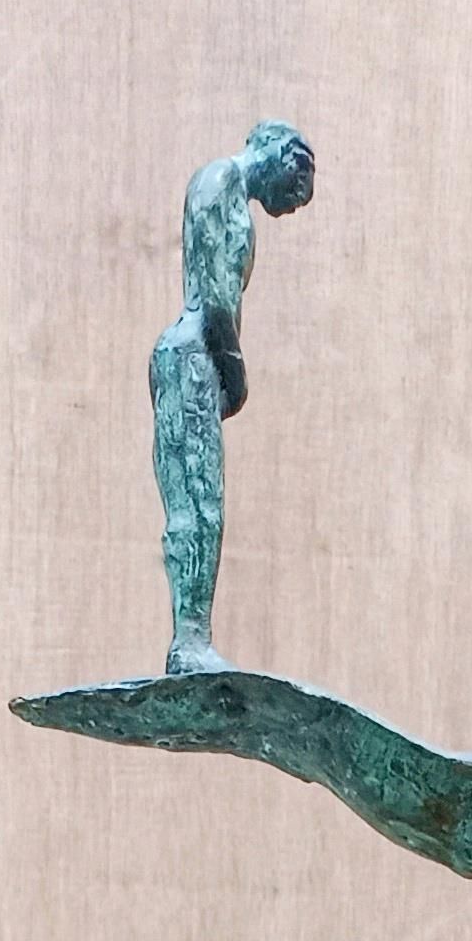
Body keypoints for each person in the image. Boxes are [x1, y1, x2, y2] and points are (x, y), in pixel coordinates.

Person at [149, 123, 315, 674]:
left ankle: (193, 637)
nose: (287, 208)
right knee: (197, 507)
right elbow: (216, 295)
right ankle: (188, 642)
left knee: (206, 508)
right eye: (293, 191)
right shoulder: (219, 180)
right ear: (283, 157)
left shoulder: (232, 193)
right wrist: (236, 371)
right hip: (192, 355)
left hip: (199, 360)